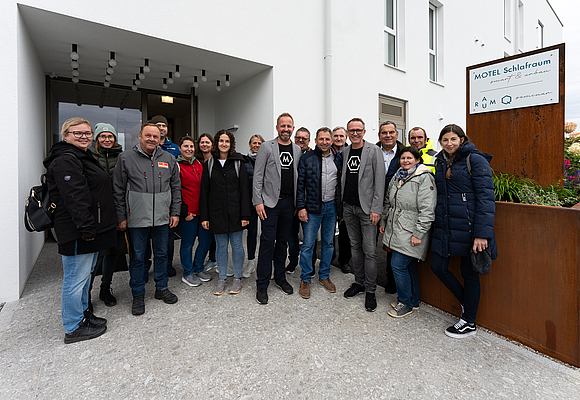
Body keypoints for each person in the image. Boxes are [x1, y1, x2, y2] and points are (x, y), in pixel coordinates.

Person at [43, 117, 117, 343]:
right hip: (78, 230)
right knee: (75, 279)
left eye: (86, 133)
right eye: (78, 133)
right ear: (65, 135)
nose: (84, 136)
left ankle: (84, 316)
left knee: (84, 278)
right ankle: (73, 327)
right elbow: (74, 197)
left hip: (88, 228)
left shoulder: (78, 156)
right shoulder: (65, 159)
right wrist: (86, 228)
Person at [430, 124, 497, 338]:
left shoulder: (475, 160)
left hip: (470, 230)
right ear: (440, 141)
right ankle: (467, 304)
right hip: (446, 225)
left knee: (470, 275)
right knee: (438, 266)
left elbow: (486, 199)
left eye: (453, 139)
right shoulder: (440, 160)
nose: (449, 143)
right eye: (445, 139)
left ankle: (469, 322)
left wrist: (482, 234)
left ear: (462, 139)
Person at [112, 123, 181, 316]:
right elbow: (117, 190)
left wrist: (175, 212)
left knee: (162, 255)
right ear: (140, 136)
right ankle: (138, 294)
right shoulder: (125, 158)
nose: (152, 139)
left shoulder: (168, 158)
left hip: (162, 219)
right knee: (138, 258)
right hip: (136, 220)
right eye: (148, 135)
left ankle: (161, 288)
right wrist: (121, 216)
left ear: (161, 139)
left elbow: (176, 187)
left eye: (156, 136)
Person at [379, 146, 437, 318]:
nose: (405, 161)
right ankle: (414, 300)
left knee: (398, 265)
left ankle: (405, 303)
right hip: (396, 228)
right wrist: (383, 221)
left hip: (411, 230)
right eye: (403, 158)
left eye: (409, 158)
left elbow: (428, 210)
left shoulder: (424, 178)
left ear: (417, 160)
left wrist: (419, 234)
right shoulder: (398, 176)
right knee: (408, 265)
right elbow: (388, 201)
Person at [253, 112, 302, 305]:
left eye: (289, 126)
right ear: (277, 128)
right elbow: (258, 177)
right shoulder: (266, 147)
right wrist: (258, 201)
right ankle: (262, 284)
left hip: (289, 204)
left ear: (293, 128)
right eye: (283, 126)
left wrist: (298, 204)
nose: (286, 129)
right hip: (269, 204)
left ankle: (280, 278)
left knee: (283, 242)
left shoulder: (297, 149)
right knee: (267, 243)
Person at [341, 117, 385, 312]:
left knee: (370, 251)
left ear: (364, 132)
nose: (355, 133)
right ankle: (359, 283)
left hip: (368, 210)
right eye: (352, 130)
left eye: (359, 130)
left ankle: (370, 289)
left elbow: (379, 182)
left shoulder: (374, 151)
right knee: (355, 247)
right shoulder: (345, 152)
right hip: (349, 208)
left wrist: (376, 209)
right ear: (348, 132)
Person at [200, 130, 251, 295]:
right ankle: (222, 278)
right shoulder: (209, 164)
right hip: (216, 214)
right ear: (216, 143)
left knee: (237, 246)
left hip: (236, 214)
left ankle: (237, 278)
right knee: (221, 246)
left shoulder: (238, 163)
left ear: (231, 144)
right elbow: (204, 192)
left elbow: (245, 191)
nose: (224, 144)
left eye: (227, 141)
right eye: (221, 141)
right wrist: (205, 217)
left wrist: (245, 215)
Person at [296, 127, 342, 299]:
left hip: (331, 207)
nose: (324, 142)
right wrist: (301, 207)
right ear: (315, 141)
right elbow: (300, 185)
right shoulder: (307, 158)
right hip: (312, 208)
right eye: (321, 139)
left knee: (329, 244)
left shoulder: (338, 158)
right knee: (308, 245)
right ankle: (305, 278)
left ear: (331, 141)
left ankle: (324, 276)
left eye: (327, 139)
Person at [88, 122, 124, 307]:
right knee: (96, 255)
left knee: (112, 252)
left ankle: (105, 287)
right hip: (96, 213)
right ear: (97, 138)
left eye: (110, 136)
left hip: (115, 211)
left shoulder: (122, 156)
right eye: (103, 136)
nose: (107, 139)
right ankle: (86, 292)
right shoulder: (88, 156)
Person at [177, 136, 212, 287]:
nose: (189, 149)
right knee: (188, 243)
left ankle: (198, 267)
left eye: (191, 146)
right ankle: (188, 272)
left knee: (205, 241)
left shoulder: (199, 164)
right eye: (186, 146)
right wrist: (184, 211)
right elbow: (175, 190)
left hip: (202, 212)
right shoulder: (177, 166)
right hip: (188, 214)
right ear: (180, 148)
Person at [377, 121, 405, 294]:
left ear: (396, 134)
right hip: (373, 202)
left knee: (392, 243)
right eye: (384, 133)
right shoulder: (372, 151)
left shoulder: (405, 153)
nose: (388, 135)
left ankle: (391, 279)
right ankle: (366, 277)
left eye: (391, 132)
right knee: (369, 243)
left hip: (396, 205)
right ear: (379, 135)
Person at [149, 115, 179, 277]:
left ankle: (167, 265)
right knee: (147, 240)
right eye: (158, 125)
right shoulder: (144, 147)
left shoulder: (174, 148)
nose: (161, 128)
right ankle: (147, 268)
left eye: (164, 126)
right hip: (147, 200)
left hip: (167, 200)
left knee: (168, 238)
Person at [286, 127, 316, 275]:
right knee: (292, 237)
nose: (301, 140)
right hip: (291, 205)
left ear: (309, 141)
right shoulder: (288, 152)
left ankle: (310, 265)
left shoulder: (313, 156)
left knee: (309, 238)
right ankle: (293, 261)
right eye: (298, 137)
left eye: (304, 138)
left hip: (308, 205)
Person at [242, 134, 265, 278]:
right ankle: (250, 263)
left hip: (266, 203)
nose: (256, 145)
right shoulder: (243, 161)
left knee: (267, 234)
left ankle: (265, 263)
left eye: (259, 143)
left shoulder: (267, 160)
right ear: (250, 144)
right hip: (250, 204)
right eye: (254, 143)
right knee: (251, 234)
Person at [331, 126, 351, 274]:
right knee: (329, 232)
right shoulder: (326, 151)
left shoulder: (350, 153)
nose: (338, 139)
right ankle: (329, 257)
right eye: (336, 136)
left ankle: (344, 260)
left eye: (341, 136)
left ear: (346, 138)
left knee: (345, 233)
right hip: (329, 198)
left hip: (345, 198)